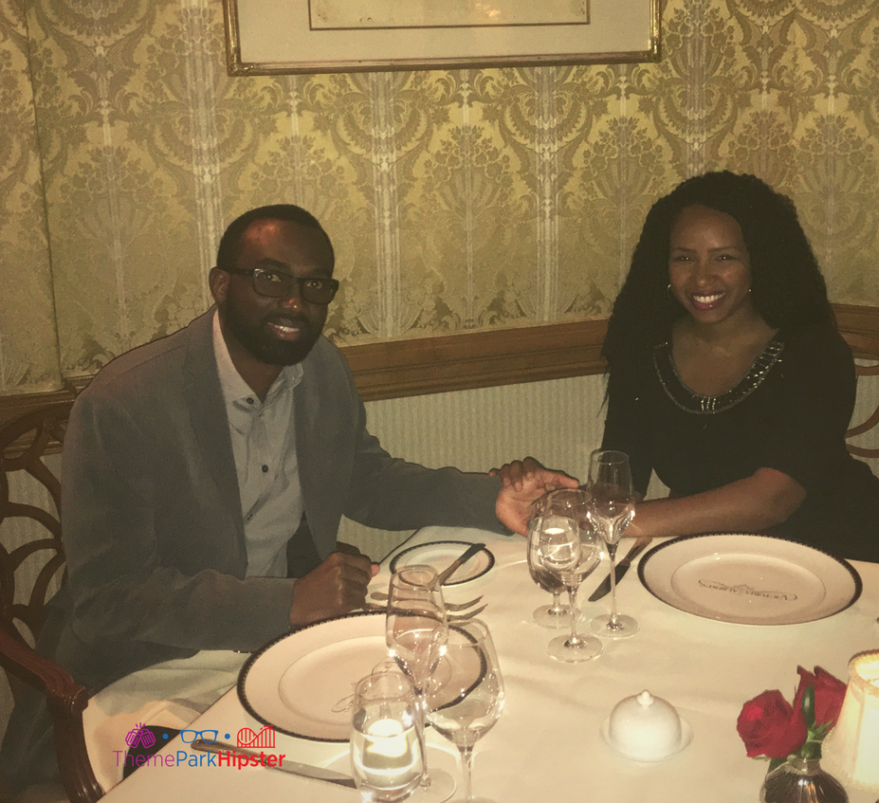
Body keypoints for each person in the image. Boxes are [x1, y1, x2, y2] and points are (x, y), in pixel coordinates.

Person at [1, 203, 571, 795]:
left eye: (314, 286)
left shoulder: (319, 370)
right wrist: (287, 602)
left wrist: (492, 500)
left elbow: (368, 479)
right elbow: (108, 599)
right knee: (257, 776)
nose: (296, 302)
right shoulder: (125, 403)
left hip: (274, 655)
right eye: (272, 279)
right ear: (222, 285)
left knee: (420, 716)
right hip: (139, 686)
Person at [598, 170, 879, 569]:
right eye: (683, 258)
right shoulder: (644, 350)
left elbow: (772, 500)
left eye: (725, 257)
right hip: (724, 563)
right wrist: (553, 496)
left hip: (851, 556)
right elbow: (619, 481)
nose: (701, 277)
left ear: (758, 260)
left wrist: (618, 523)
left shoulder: (813, 352)